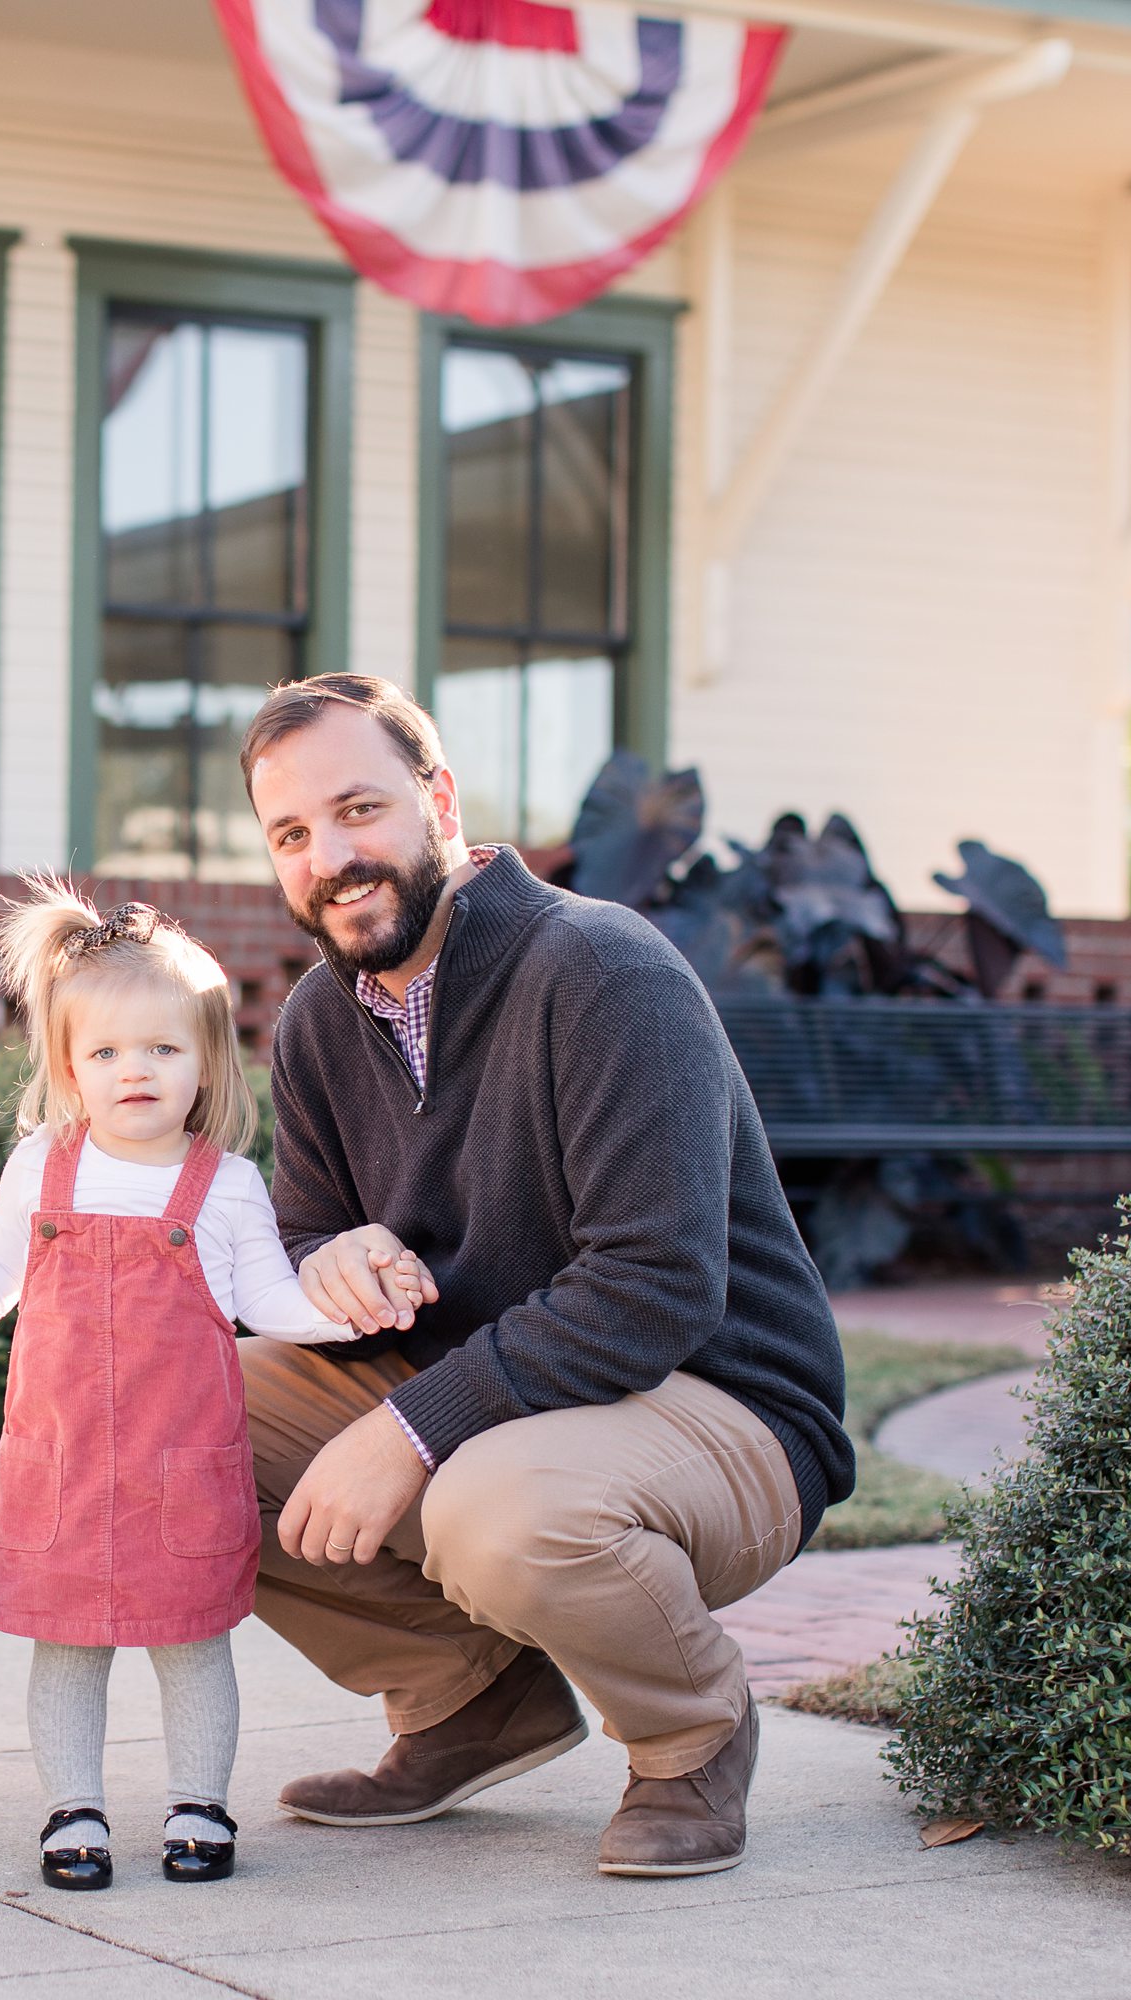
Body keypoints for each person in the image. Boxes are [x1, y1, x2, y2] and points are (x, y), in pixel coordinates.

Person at [236, 675, 854, 1878]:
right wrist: (330, 1260)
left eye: (359, 808)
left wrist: (410, 1427)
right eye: (294, 834)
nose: (333, 857)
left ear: (440, 797)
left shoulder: (600, 969)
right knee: (171, 1417)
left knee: (497, 1510)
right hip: (503, 1404)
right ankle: (469, 1701)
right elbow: (301, 1241)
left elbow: (657, 1284)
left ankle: (692, 1735)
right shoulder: (319, 1020)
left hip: (722, 1404)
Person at [0, 883, 426, 1893]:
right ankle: (75, 1810)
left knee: (192, 1643)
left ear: (205, 1059)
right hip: (63, 1465)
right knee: (68, 1649)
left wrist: (359, 1308)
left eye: (161, 1048)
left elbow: (273, 1303)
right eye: (105, 1052)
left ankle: (199, 1799)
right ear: (70, 1066)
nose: (134, 1070)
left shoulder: (225, 1184)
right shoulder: (44, 1169)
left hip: (177, 1468)